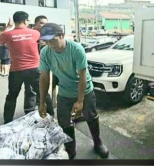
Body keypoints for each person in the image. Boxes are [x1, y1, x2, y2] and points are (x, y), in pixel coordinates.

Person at [38, 23, 109, 159]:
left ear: (61, 36)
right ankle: (71, 150)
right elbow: (44, 77)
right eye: (46, 41)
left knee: (91, 117)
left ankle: (98, 142)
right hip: (65, 91)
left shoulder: (76, 49)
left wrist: (80, 100)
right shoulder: (45, 52)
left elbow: (82, 76)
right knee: (64, 122)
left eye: (53, 40)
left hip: (85, 90)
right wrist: (42, 102)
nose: (50, 44)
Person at [0, 12, 54, 124]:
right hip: (34, 69)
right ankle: (52, 117)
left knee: (11, 97)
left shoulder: (7, 35)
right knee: (43, 93)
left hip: (16, 71)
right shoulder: (34, 33)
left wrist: (8, 27)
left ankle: (7, 122)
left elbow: (0, 43)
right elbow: (47, 39)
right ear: (25, 21)